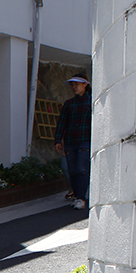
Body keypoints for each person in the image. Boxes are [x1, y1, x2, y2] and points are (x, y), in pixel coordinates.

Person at [54, 73, 92, 210]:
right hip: (70, 140)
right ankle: (77, 195)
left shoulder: (91, 102)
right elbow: (62, 123)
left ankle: (81, 197)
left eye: (77, 84)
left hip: (86, 140)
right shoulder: (69, 104)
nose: (74, 87)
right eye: (73, 84)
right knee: (72, 170)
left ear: (85, 85)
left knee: (81, 168)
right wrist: (58, 140)